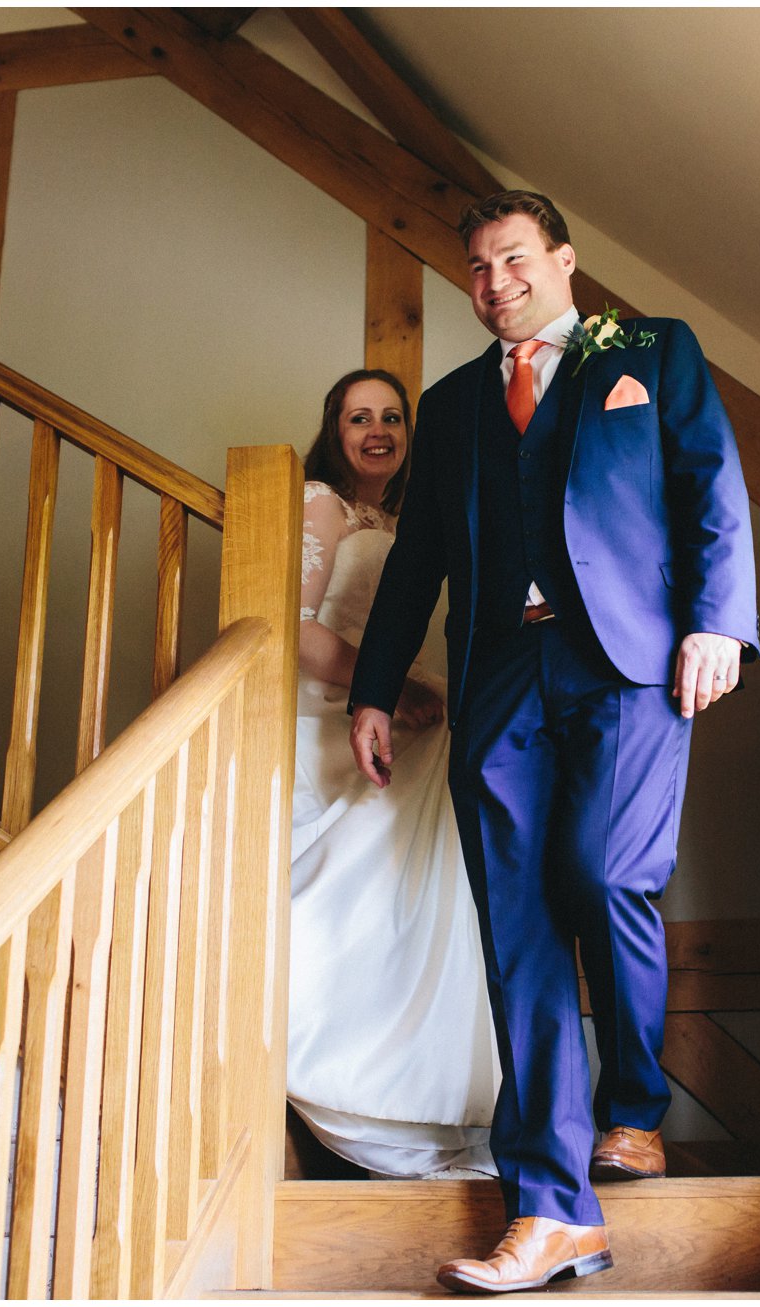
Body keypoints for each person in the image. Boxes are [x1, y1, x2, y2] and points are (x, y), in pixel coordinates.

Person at [348, 192, 758, 1294]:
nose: (494, 282)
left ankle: (631, 1108)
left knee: (605, 869)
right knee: (516, 928)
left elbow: (711, 484)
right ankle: (549, 1207)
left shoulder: (651, 351)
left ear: (563, 261)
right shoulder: (451, 405)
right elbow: (417, 559)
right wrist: (373, 690)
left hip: (627, 662)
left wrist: (718, 619)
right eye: (477, 268)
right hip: (498, 675)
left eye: (514, 259)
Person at [287, 368, 501, 1179]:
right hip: (330, 723)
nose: (376, 430)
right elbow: (292, 627)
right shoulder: (321, 503)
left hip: (403, 716)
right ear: (331, 431)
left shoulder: (411, 517)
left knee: (427, 897)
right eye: (357, 417)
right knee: (351, 899)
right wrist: (388, 687)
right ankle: (344, 1075)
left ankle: (431, 1094)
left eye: (391, 417)